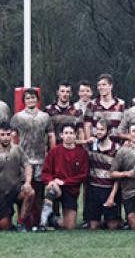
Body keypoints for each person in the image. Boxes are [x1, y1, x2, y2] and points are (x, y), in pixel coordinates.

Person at [10, 88, 56, 227]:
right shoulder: (18, 117)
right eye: (27, 98)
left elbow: (50, 136)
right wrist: (14, 153)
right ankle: (23, 220)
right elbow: (12, 136)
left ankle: (39, 221)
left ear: (37, 99)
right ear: (24, 101)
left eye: (33, 97)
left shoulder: (45, 117)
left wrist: (52, 154)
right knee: (25, 190)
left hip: (41, 159)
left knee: (40, 192)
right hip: (24, 160)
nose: (30, 100)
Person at [40, 123, 89, 230]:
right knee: (52, 187)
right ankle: (43, 220)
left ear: (75, 135)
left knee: (70, 226)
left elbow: (83, 175)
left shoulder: (81, 153)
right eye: (66, 133)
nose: (68, 136)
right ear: (61, 135)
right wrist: (51, 181)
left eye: (71, 133)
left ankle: (52, 219)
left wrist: (65, 182)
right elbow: (45, 172)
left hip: (71, 190)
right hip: (56, 187)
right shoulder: (54, 151)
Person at [84, 119, 121, 230]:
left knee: (112, 227)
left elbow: (118, 176)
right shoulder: (92, 146)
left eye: (102, 129)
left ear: (109, 132)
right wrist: (85, 142)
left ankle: (113, 219)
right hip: (94, 189)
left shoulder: (117, 149)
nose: (98, 132)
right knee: (93, 227)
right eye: (97, 129)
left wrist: (112, 196)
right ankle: (97, 219)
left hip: (109, 189)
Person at [0, 122, 34, 232]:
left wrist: (27, 182)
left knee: (30, 192)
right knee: (4, 226)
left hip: (15, 189)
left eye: (7, 134)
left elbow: (27, 165)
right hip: (1, 193)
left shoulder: (17, 149)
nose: (5, 138)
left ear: (11, 135)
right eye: (2, 135)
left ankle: (21, 223)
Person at [84, 74, 126, 144]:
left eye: (104, 85)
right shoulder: (92, 104)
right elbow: (87, 125)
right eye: (99, 85)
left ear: (111, 86)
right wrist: (89, 141)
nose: (101, 87)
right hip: (97, 146)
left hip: (116, 145)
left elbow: (125, 125)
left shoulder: (121, 104)